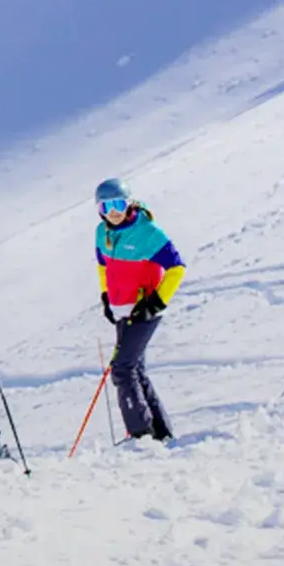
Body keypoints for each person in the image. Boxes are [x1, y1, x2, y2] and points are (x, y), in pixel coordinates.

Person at [94, 177, 183, 442]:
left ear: (130, 203)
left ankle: (141, 433)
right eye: (106, 207)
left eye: (119, 205)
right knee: (134, 370)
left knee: (122, 369)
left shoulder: (148, 233)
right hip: (122, 309)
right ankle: (161, 433)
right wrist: (106, 296)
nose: (113, 213)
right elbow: (103, 264)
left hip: (143, 311)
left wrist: (154, 302)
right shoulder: (103, 232)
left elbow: (177, 268)